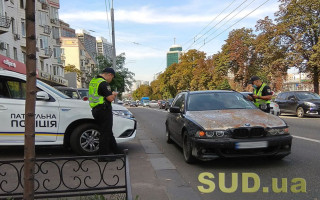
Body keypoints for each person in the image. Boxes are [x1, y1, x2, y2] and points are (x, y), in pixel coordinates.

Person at [88, 67, 119, 162]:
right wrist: (114, 94)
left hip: (96, 109)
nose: (111, 79)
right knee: (105, 133)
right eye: (112, 77)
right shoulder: (103, 83)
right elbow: (110, 99)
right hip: (103, 110)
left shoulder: (94, 81)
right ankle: (103, 156)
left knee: (107, 131)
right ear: (109, 74)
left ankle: (117, 152)